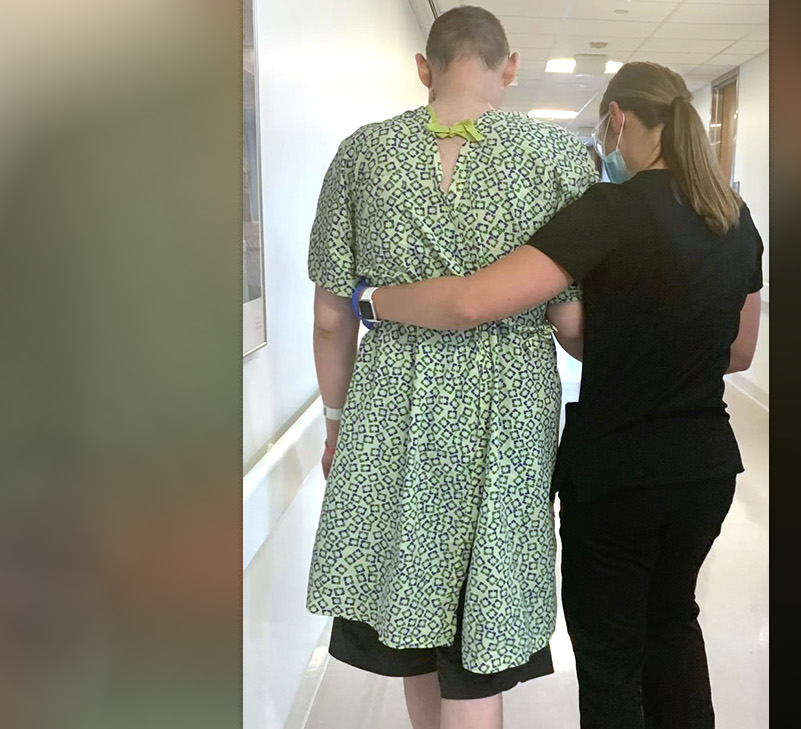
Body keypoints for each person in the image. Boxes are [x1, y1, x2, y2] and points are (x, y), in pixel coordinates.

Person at [361, 62, 764, 729]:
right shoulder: (734, 216)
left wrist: (372, 300)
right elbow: (741, 350)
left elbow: (471, 301)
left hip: (617, 476)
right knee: (673, 623)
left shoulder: (608, 212)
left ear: (618, 120)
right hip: (705, 469)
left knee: (608, 655)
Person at [303, 7, 596, 729]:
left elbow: (330, 316)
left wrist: (338, 423)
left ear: (425, 68)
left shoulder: (362, 154)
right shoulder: (557, 162)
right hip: (509, 412)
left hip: (391, 408)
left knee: (411, 614)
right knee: (480, 628)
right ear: (511, 66)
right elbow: (572, 326)